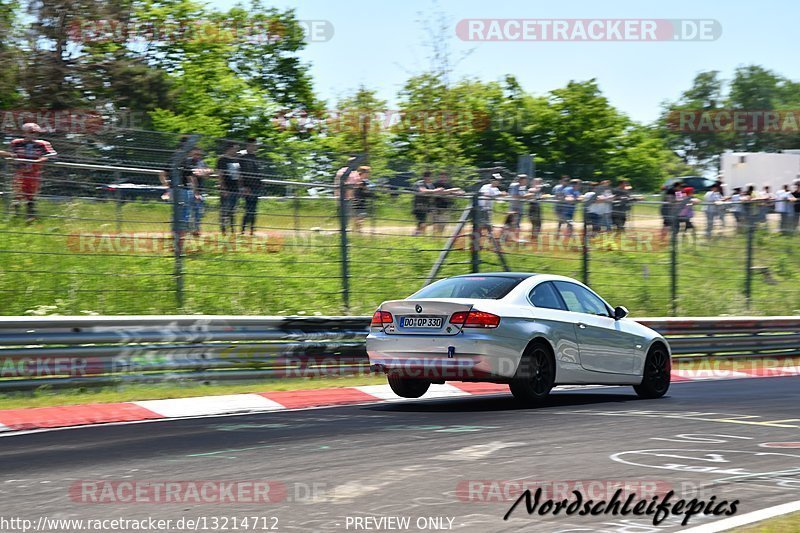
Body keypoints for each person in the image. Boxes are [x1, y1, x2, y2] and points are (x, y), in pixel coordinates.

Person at [2, 123, 57, 222]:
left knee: (30, 195)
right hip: (19, 172)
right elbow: (11, 154)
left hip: (34, 173)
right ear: (24, 133)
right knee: (17, 193)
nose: (33, 135)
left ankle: (30, 217)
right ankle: (15, 216)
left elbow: (53, 154)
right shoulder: (16, 143)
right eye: (31, 132)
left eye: (36, 133)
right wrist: (10, 156)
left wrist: (41, 159)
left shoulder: (42, 144)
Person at [216, 141, 242, 234]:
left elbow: (238, 175)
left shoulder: (236, 160)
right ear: (230, 148)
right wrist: (223, 188)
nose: (236, 151)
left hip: (235, 188)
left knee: (232, 210)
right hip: (227, 188)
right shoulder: (222, 160)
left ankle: (232, 229)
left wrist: (240, 187)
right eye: (235, 149)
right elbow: (220, 175)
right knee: (224, 210)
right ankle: (223, 229)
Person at [239, 138, 262, 236]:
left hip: (256, 187)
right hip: (248, 187)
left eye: (255, 145)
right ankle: (243, 231)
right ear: (248, 146)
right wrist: (244, 187)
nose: (254, 147)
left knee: (253, 210)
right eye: (252, 145)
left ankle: (252, 230)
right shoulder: (242, 159)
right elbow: (241, 174)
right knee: (248, 209)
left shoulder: (256, 158)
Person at [478, 174, 506, 241]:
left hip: (488, 209)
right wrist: (499, 194)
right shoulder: (486, 186)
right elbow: (486, 194)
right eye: (497, 180)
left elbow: (501, 196)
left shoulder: (496, 189)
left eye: (499, 180)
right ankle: (487, 238)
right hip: (482, 208)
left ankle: (489, 238)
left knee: (486, 224)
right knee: (483, 225)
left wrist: (503, 195)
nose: (499, 182)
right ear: (492, 180)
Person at [412, 171, 440, 235]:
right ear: (424, 177)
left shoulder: (431, 185)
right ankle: (416, 235)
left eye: (430, 177)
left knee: (428, 223)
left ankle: (418, 235)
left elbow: (437, 192)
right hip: (419, 207)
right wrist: (435, 191)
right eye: (427, 176)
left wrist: (451, 191)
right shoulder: (419, 183)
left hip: (428, 207)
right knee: (422, 224)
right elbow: (423, 190)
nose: (429, 178)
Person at [503, 174, 528, 243]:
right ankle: (511, 238)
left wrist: (526, 196)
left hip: (519, 207)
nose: (526, 181)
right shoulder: (515, 186)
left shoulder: (522, 187)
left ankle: (508, 238)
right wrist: (526, 196)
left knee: (514, 224)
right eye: (525, 179)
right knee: (512, 224)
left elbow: (523, 195)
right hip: (514, 208)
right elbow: (515, 196)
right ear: (521, 180)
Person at [351, 166, 373, 233]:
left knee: (359, 215)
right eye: (368, 172)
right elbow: (364, 190)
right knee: (361, 215)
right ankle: (358, 230)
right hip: (359, 200)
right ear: (363, 172)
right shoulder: (361, 181)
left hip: (359, 199)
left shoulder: (361, 180)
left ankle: (356, 229)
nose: (369, 174)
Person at [525, 177, 544, 243]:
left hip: (538, 207)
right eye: (537, 182)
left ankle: (535, 237)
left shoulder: (539, 190)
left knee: (539, 224)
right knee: (534, 223)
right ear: (533, 183)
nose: (539, 184)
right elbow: (533, 191)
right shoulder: (531, 189)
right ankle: (533, 237)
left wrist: (542, 197)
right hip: (532, 207)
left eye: (540, 182)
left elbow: (540, 196)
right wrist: (538, 188)